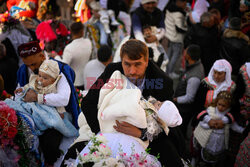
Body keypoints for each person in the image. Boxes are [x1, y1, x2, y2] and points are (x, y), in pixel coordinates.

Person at [63, 39, 186, 167]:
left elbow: (165, 122)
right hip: (106, 126)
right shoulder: (112, 70)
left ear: (147, 61)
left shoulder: (163, 81)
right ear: (121, 61)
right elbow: (88, 103)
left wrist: (142, 133)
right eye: (127, 64)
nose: (132, 71)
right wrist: (105, 132)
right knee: (75, 155)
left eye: (137, 64)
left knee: (170, 156)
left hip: (146, 132)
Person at [16, 41, 80, 165]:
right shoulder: (23, 71)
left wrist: (38, 97)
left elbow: (63, 98)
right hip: (33, 117)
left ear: (41, 55)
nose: (31, 68)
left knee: (50, 147)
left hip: (57, 117)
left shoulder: (58, 69)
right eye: (27, 65)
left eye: (33, 64)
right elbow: (21, 91)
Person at [193, 91, 236, 166]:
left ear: (228, 106)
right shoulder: (211, 111)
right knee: (205, 154)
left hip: (220, 139)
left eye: (224, 106)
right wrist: (210, 125)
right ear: (216, 102)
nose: (220, 107)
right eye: (219, 104)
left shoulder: (227, 116)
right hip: (209, 138)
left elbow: (232, 125)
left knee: (216, 157)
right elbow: (202, 123)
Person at [173, 44, 205, 137]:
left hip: (184, 109)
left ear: (188, 56)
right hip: (181, 106)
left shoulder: (194, 76)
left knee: (180, 130)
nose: (184, 52)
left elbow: (189, 97)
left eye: (185, 51)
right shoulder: (193, 65)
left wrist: (175, 100)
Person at [193, 59, 236, 127]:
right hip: (204, 121)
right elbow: (198, 103)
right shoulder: (205, 84)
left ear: (226, 73)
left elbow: (235, 107)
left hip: (222, 124)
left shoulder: (232, 87)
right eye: (215, 72)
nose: (216, 76)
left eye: (220, 73)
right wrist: (208, 119)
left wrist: (224, 120)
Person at [60, 22, 92, 90]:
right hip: (87, 79)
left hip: (75, 82)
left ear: (71, 32)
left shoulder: (69, 48)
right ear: (82, 31)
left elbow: (64, 66)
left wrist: (56, 57)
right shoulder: (88, 42)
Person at [164, 0, 188, 78]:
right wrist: (187, 29)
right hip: (177, 38)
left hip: (170, 35)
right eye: (184, 2)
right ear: (178, 2)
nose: (185, 4)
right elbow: (179, 28)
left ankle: (166, 71)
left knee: (169, 54)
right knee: (175, 56)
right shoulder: (178, 13)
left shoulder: (169, 9)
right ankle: (170, 73)